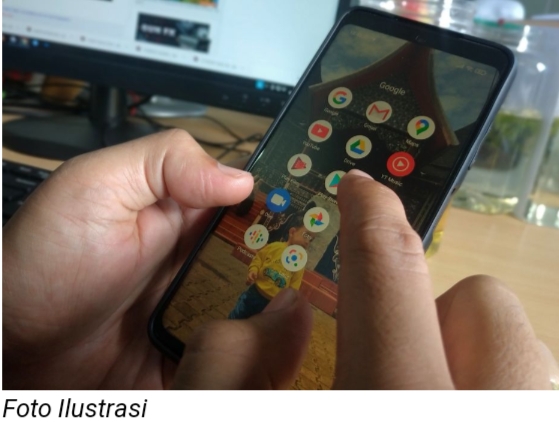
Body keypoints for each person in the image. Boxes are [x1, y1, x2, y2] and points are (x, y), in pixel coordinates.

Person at [2, 129, 556, 389]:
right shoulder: (283, 237)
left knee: (258, 311)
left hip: (265, 289)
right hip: (256, 286)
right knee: (249, 308)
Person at [228, 215, 316, 320]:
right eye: (306, 236)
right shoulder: (275, 247)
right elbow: (259, 259)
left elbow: (294, 286)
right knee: (238, 316)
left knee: (258, 325)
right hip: (255, 293)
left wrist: (287, 302)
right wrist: (253, 270)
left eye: (311, 240)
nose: (307, 242)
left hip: (273, 304)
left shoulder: (299, 263)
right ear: (292, 232)